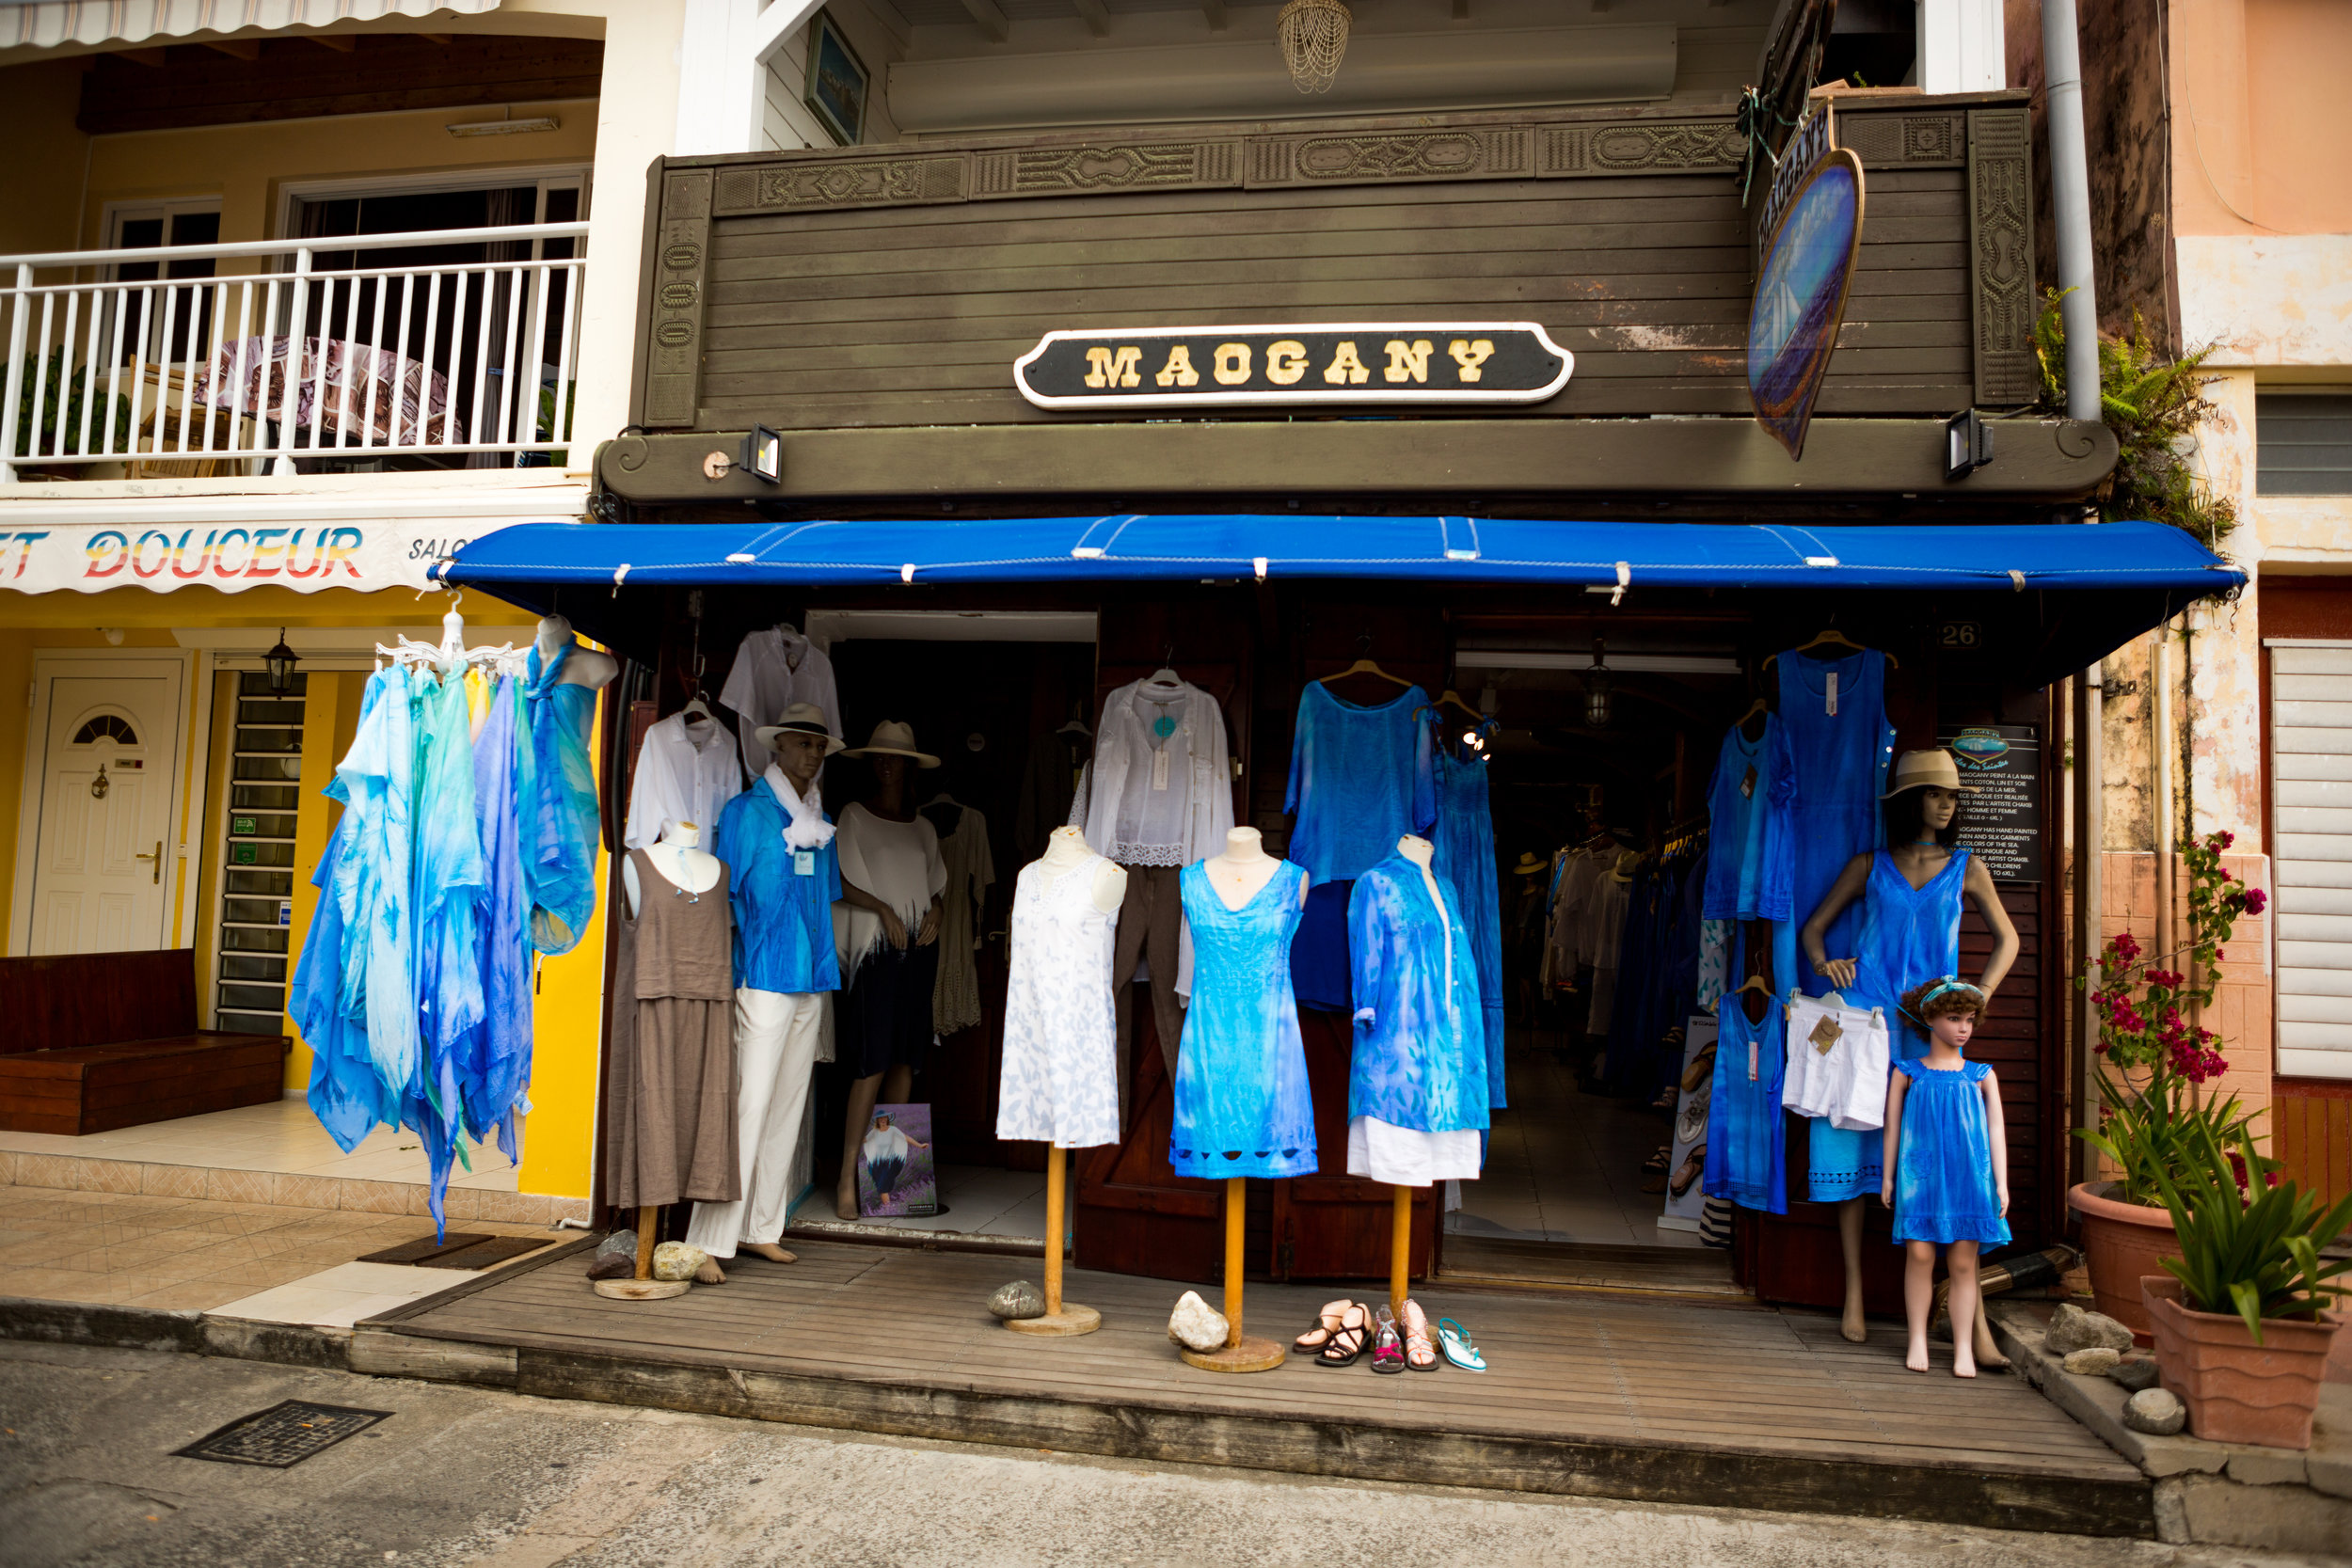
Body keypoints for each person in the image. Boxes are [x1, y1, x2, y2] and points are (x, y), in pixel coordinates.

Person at [1880, 976, 2010, 1377]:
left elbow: (1996, 1130)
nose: (1964, 1027)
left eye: (1970, 1019)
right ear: (1930, 1019)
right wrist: (1887, 1179)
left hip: (1970, 1179)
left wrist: (2002, 1184)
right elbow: (1892, 1127)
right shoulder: (1907, 1073)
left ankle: (1964, 1347)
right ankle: (1917, 1337)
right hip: (1920, 1178)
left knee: (1964, 1264)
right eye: (1955, 1017)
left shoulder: (1981, 1075)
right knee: (1919, 1254)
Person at [860, 1110, 930, 1207]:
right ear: (877, 1120)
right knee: (881, 1186)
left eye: (884, 1118)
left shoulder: (893, 1130)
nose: (883, 1120)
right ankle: (887, 1208)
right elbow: (864, 1140)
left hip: (890, 1163)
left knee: (883, 1186)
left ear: (887, 1119)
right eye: (880, 1118)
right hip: (877, 1164)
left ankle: (888, 1208)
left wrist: (920, 1145)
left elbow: (906, 1138)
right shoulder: (874, 1132)